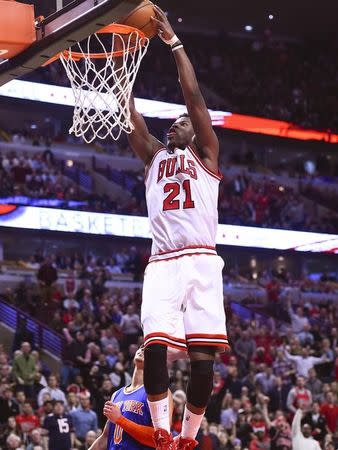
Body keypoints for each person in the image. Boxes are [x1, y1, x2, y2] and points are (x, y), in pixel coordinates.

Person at [126, 6, 229, 449]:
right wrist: (117, 72)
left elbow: (194, 99)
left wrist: (174, 43)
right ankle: (164, 432)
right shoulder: (153, 157)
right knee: (154, 348)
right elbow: (130, 120)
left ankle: (189, 436)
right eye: (174, 122)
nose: (177, 123)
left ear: (196, 131)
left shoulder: (205, 154)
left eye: (183, 122)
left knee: (204, 364)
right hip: (164, 261)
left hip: (203, 259)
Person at [87, 347, 173, 450]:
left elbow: (162, 439)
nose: (142, 350)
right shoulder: (116, 394)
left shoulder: (160, 392)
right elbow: (105, 438)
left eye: (148, 349)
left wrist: (120, 420)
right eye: (141, 347)